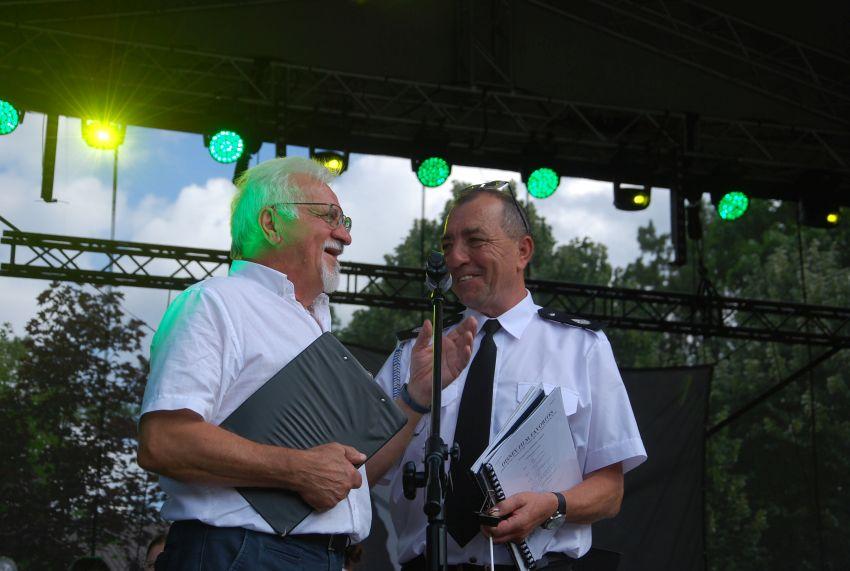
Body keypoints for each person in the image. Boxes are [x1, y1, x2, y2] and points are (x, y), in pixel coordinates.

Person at [138, 156, 475, 571]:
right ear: (271, 224)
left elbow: (353, 475)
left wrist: (416, 398)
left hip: (321, 556)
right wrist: (297, 469)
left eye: (344, 220)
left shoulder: (313, 326)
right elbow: (164, 441)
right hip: (242, 552)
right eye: (329, 216)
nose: (345, 235)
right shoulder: (215, 302)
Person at [368, 182, 647, 570]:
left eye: (475, 241)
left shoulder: (580, 347)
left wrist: (552, 505)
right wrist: (414, 399)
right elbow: (360, 468)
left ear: (523, 251)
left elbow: (610, 490)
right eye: (448, 245)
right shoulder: (416, 352)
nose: (456, 257)